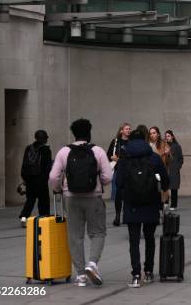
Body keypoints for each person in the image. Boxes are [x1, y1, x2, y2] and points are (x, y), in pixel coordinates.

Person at [49, 118, 113, 287]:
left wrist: (58, 189)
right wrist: (99, 182)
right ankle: (92, 264)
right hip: (94, 198)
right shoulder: (98, 151)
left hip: (71, 198)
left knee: (75, 236)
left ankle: (80, 275)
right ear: (89, 133)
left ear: (74, 134)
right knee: (98, 233)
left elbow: (53, 177)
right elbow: (107, 177)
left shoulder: (64, 152)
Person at [117, 124, 170, 288]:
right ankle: (148, 272)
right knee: (149, 239)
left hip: (132, 203)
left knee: (134, 241)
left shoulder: (125, 158)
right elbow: (166, 181)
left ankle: (136, 275)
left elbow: (118, 184)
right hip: (151, 202)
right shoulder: (153, 157)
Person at [19, 130, 53, 226]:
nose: (47, 139)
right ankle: (44, 219)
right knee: (44, 200)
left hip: (30, 179)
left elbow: (24, 164)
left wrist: (25, 178)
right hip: (41, 179)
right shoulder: (46, 150)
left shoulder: (28, 148)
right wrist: (46, 178)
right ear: (42, 138)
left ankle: (24, 218)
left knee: (30, 200)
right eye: (46, 137)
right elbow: (47, 166)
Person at [107, 123, 131, 226]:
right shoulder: (116, 141)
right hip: (118, 170)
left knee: (128, 194)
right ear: (121, 131)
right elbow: (108, 154)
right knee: (118, 193)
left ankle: (126, 216)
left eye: (130, 129)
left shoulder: (132, 142)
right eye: (126, 129)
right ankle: (117, 216)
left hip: (129, 170)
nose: (129, 130)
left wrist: (120, 159)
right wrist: (112, 158)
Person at [164, 130, 183, 208]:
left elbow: (181, 159)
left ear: (172, 136)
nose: (167, 138)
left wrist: (177, 166)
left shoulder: (177, 146)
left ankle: (174, 205)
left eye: (168, 136)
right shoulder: (164, 146)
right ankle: (165, 202)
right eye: (166, 136)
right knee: (165, 187)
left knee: (174, 188)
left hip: (174, 170)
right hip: (166, 168)